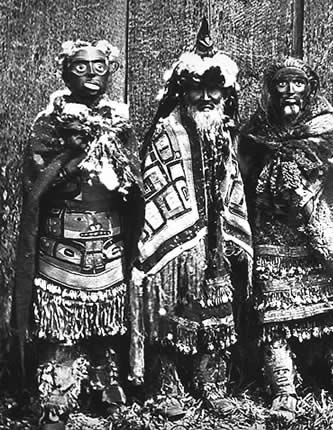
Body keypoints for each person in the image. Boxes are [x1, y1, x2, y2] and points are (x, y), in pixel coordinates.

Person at [14, 40, 144, 429]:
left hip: (108, 239)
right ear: (65, 72)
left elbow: (134, 175)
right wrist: (71, 159)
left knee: (104, 322)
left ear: (110, 72)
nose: (91, 75)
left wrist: (119, 169)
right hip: (63, 241)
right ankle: (56, 396)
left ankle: (106, 388)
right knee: (62, 323)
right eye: (81, 67)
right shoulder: (50, 122)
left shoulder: (119, 122)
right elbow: (37, 176)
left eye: (99, 68)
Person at [132, 18, 253, 419]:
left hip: (215, 241)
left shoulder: (224, 132)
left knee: (217, 307)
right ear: (181, 92)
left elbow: (232, 183)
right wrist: (185, 238)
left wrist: (226, 233)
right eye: (196, 89)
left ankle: (211, 383)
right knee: (172, 307)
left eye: (213, 89)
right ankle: (166, 385)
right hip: (178, 242)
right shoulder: (167, 132)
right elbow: (157, 186)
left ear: (225, 94)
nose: (205, 97)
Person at [239, 57, 333, 423]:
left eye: (297, 83)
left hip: (317, 234)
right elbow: (244, 177)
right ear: (271, 89)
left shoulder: (323, 129)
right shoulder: (258, 130)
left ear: (309, 88)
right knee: (273, 312)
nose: (289, 92)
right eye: (282, 84)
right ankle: (284, 393)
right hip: (273, 235)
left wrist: (325, 214)